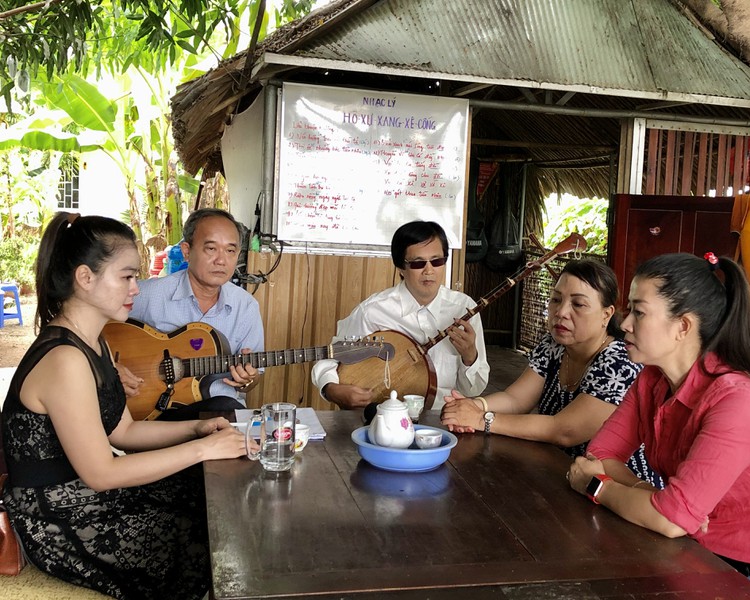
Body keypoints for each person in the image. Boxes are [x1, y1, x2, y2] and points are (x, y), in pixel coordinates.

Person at [0, 212, 249, 600]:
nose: (137, 288)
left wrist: (197, 429)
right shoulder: (64, 358)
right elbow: (102, 472)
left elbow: (124, 432)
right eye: (127, 276)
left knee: (207, 497)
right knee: (203, 548)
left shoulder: (94, 342)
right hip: (56, 515)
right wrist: (203, 449)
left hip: (83, 490)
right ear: (85, 278)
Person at [567, 252, 750, 599]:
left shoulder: (738, 401)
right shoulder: (653, 379)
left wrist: (595, 486)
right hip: (693, 557)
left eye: (639, 312)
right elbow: (600, 453)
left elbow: (669, 520)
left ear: (683, 326)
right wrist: (652, 497)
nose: (625, 323)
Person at [441, 259, 662, 487]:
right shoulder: (554, 345)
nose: (561, 312)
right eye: (556, 300)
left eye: (578, 304)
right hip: (563, 473)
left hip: (618, 487)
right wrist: (473, 406)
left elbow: (564, 430)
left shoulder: (620, 361)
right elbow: (516, 399)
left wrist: (481, 419)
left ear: (606, 314)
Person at [311, 220, 490, 411]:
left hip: (445, 418)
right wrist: (331, 389)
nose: (429, 271)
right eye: (418, 263)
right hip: (384, 418)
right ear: (400, 268)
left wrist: (469, 357)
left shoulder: (464, 308)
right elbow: (332, 359)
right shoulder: (373, 311)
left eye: (437, 261)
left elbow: (473, 390)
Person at [121, 208, 264, 419]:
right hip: (156, 414)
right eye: (211, 248)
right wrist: (112, 367)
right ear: (187, 251)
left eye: (231, 251)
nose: (221, 260)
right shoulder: (147, 294)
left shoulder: (246, 306)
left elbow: (252, 381)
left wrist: (247, 380)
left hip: (221, 417)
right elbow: (90, 327)